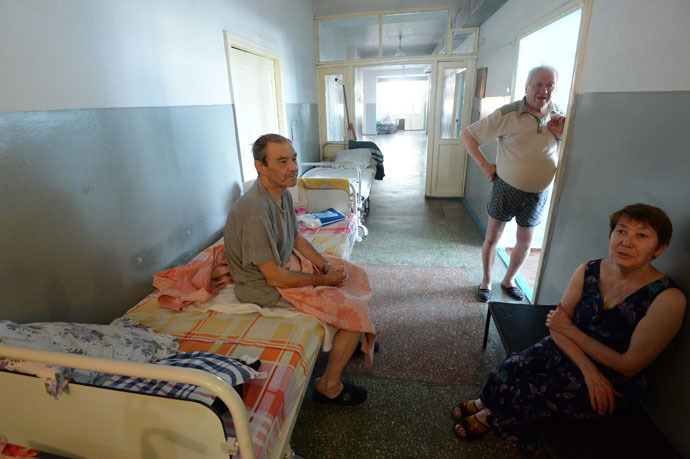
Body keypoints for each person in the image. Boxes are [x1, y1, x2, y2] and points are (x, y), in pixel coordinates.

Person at [449, 203, 686, 453]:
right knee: (507, 370)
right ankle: (486, 402)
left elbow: (628, 365)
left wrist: (573, 336)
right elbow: (557, 325)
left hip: (612, 380)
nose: (626, 242)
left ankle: (491, 416)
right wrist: (587, 369)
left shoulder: (667, 299)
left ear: (660, 248)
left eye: (642, 235)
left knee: (525, 392)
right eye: (621, 231)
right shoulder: (590, 270)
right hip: (569, 350)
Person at [224, 133, 371, 406]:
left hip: (279, 267)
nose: (292, 167)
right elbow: (274, 277)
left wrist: (326, 266)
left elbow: (296, 238)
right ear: (261, 166)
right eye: (282, 161)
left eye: (293, 159)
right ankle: (329, 385)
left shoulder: (281, 194)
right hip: (263, 287)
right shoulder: (255, 211)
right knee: (355, 313)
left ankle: (348, 343)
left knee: (354, 274)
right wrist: (323, 280)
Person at [460, 65, 566, 302]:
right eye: (538, 84)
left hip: (538, 193)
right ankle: (486, 282)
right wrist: (486, 165)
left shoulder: (559, 115)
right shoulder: (508, 114)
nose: (544, 90)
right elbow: (468, 135)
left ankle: (508, 280)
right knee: (493, 237)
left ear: (555, 89)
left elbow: (565, 148)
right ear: (527, 87)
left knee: (525, 241)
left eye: (550, 85)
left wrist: (560, 134)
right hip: (505, 188)